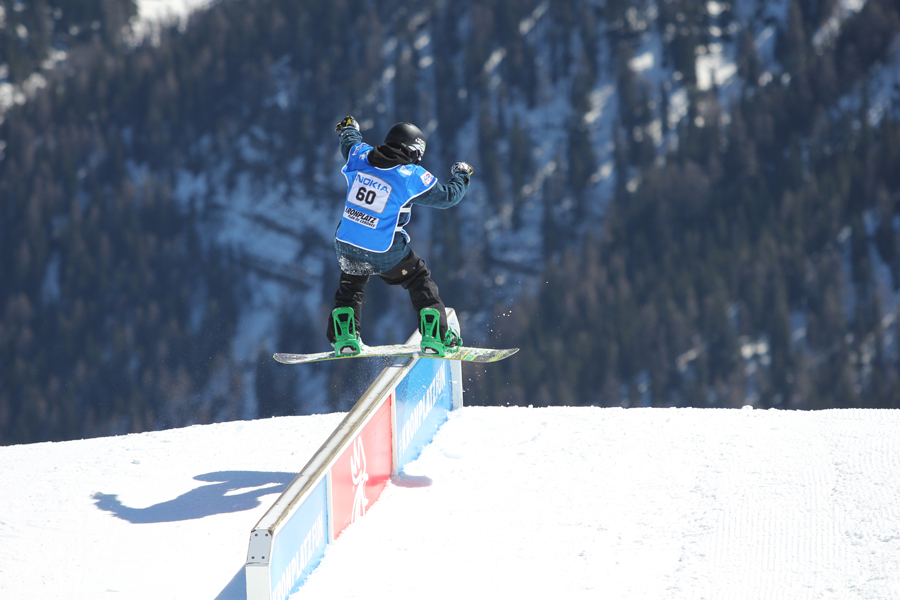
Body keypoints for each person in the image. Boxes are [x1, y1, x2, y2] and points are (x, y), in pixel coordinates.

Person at [326, 116, 473, 357]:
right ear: (414, 151)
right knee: (418, 278)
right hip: (384, 249)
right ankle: (435, 336)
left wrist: (349, 127)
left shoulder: (360, 156)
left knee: (352, 279)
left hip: (346, 243)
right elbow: (449, 197)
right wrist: (462, 174)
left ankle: (345, 335)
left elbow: (349, 140)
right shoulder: (411, 175)